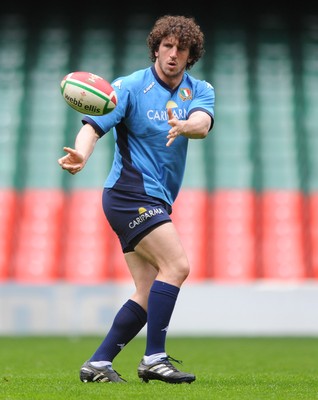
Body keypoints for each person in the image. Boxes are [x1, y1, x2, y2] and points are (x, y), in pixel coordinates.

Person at [58, 14, 215, 384]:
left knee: (147, 290)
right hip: (129, 193)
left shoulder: (200, 89)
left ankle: (98, 363)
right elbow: (93, 128)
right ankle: (154, 358)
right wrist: (82, 155)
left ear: (191, 54)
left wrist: (185, 125)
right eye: (167, 46)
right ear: (156, 48)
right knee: (177, 266)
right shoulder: (129, 87)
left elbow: (203, 125)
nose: (173, 54)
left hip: (155, 197)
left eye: (181, 48)